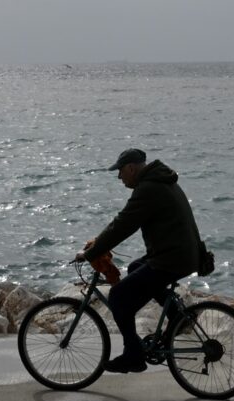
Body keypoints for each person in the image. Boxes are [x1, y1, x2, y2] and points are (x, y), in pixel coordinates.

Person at [79, 146, 202, 374]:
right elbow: (124, 223)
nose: (119, 177)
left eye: (120, 171)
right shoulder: (163, 180)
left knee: (118, 297)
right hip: (184, 254)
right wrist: (99, 244)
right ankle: (177, 316)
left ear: (131, 168)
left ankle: (133, 356)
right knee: (136, 266)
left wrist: (91, 253)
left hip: (172, 259)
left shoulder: (149, 189)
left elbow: (122, 225)